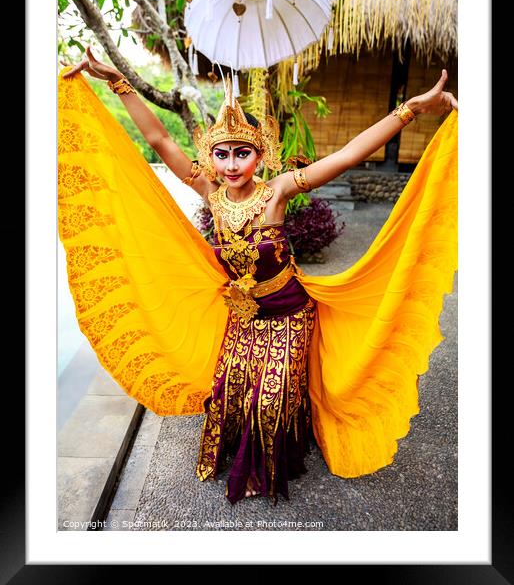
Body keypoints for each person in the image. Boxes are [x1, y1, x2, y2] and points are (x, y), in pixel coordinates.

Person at [59, 46, 458, 505]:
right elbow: (160, 143)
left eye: (242, 153)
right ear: (213, 158)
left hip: (290, 314)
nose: (232, 164)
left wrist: (409, 110)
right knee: (228, 394)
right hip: (244, 317)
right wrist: (118, 82)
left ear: (259, 155)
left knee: (267, 402)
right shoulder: (211, 191)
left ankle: (275, 456)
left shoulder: (278, 192)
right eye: (223, 154)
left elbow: (348, 155)